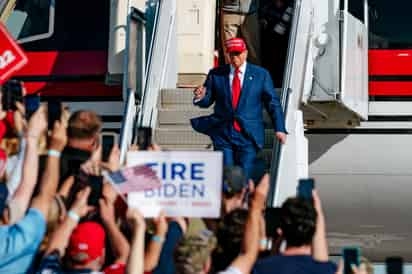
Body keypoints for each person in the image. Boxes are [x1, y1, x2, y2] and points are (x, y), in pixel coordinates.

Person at [191, 37, 287, 178]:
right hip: (224, 133)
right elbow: (207, 101)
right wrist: (200, 96)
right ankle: (228, 199)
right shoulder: (216, 74)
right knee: (226, 177)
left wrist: (279, 128)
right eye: (231, 54)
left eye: (238, 53)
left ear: (246, 53)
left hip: (248, 134)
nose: (235, 57)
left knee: (245, 175)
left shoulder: (261, 75)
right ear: (227, 55)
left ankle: (245, 199)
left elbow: (272, 102)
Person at [252, 191, 337, 274]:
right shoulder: (329, 269)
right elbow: (322, 263)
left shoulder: (260, 268)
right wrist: (318, 213)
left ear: (281, 231)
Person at [220, 0, 261, 65]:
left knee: (253, 52)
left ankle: (253, 74)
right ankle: (231, 74)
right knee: (229, 49)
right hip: (229, 10)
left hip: (251, 12)